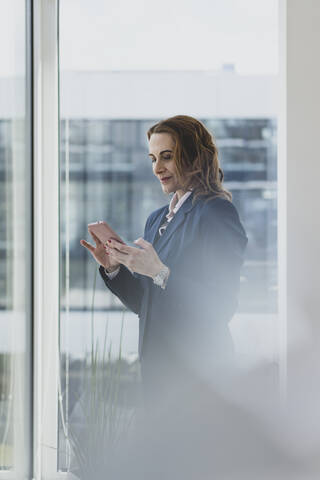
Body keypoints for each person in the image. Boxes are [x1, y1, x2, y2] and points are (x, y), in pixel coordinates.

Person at [80, 115, 248, 407]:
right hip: (159, 382)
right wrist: (115, 267)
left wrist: (159, 272)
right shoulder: (157, 219)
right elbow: (145, 306)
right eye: (153, 158)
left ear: (195, 156)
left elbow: (221, 307)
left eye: (167, 157)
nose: (157, 168)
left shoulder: (217, 213)